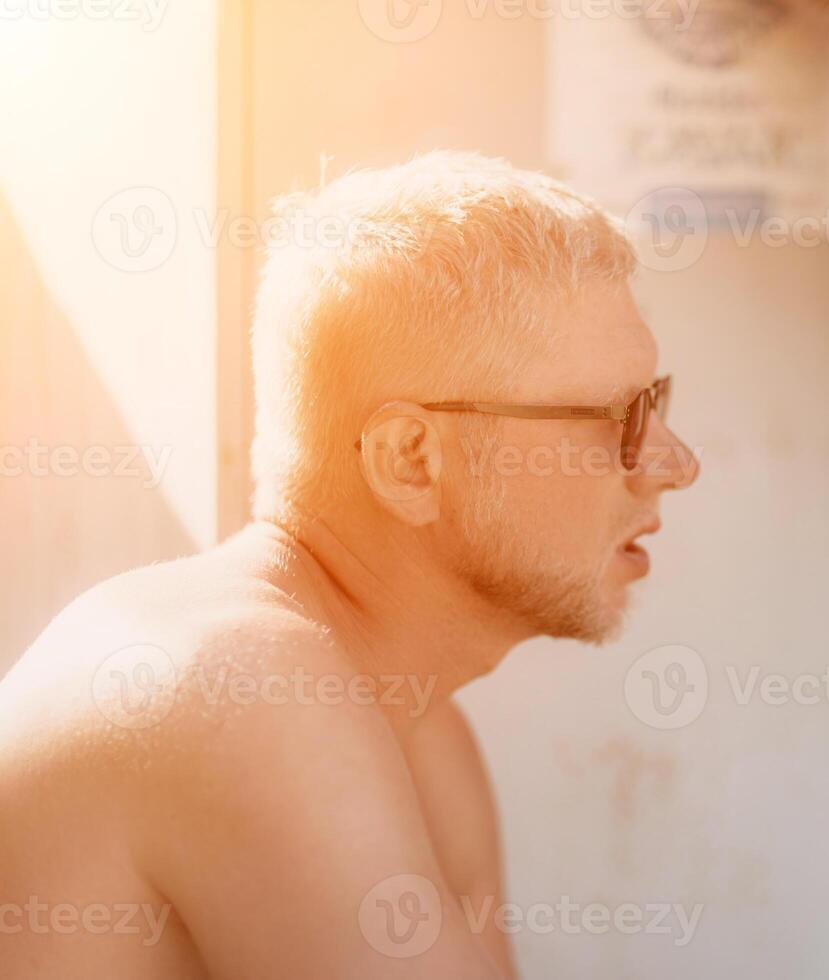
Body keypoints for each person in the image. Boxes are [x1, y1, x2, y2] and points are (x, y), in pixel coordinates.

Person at [0, 151, 699, 978]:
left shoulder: (418, 732)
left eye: (654, 404)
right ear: (411, 460)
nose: (674, 461)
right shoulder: (247, 687)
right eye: (617, 416)